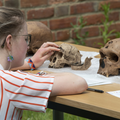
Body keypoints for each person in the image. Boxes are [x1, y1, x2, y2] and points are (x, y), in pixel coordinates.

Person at [0, 6, 88, 120]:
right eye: (26, 39)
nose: (28, 46)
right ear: (9, 42)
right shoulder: (9, 82)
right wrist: (37, 77)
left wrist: (30, 63)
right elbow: (78, 83)